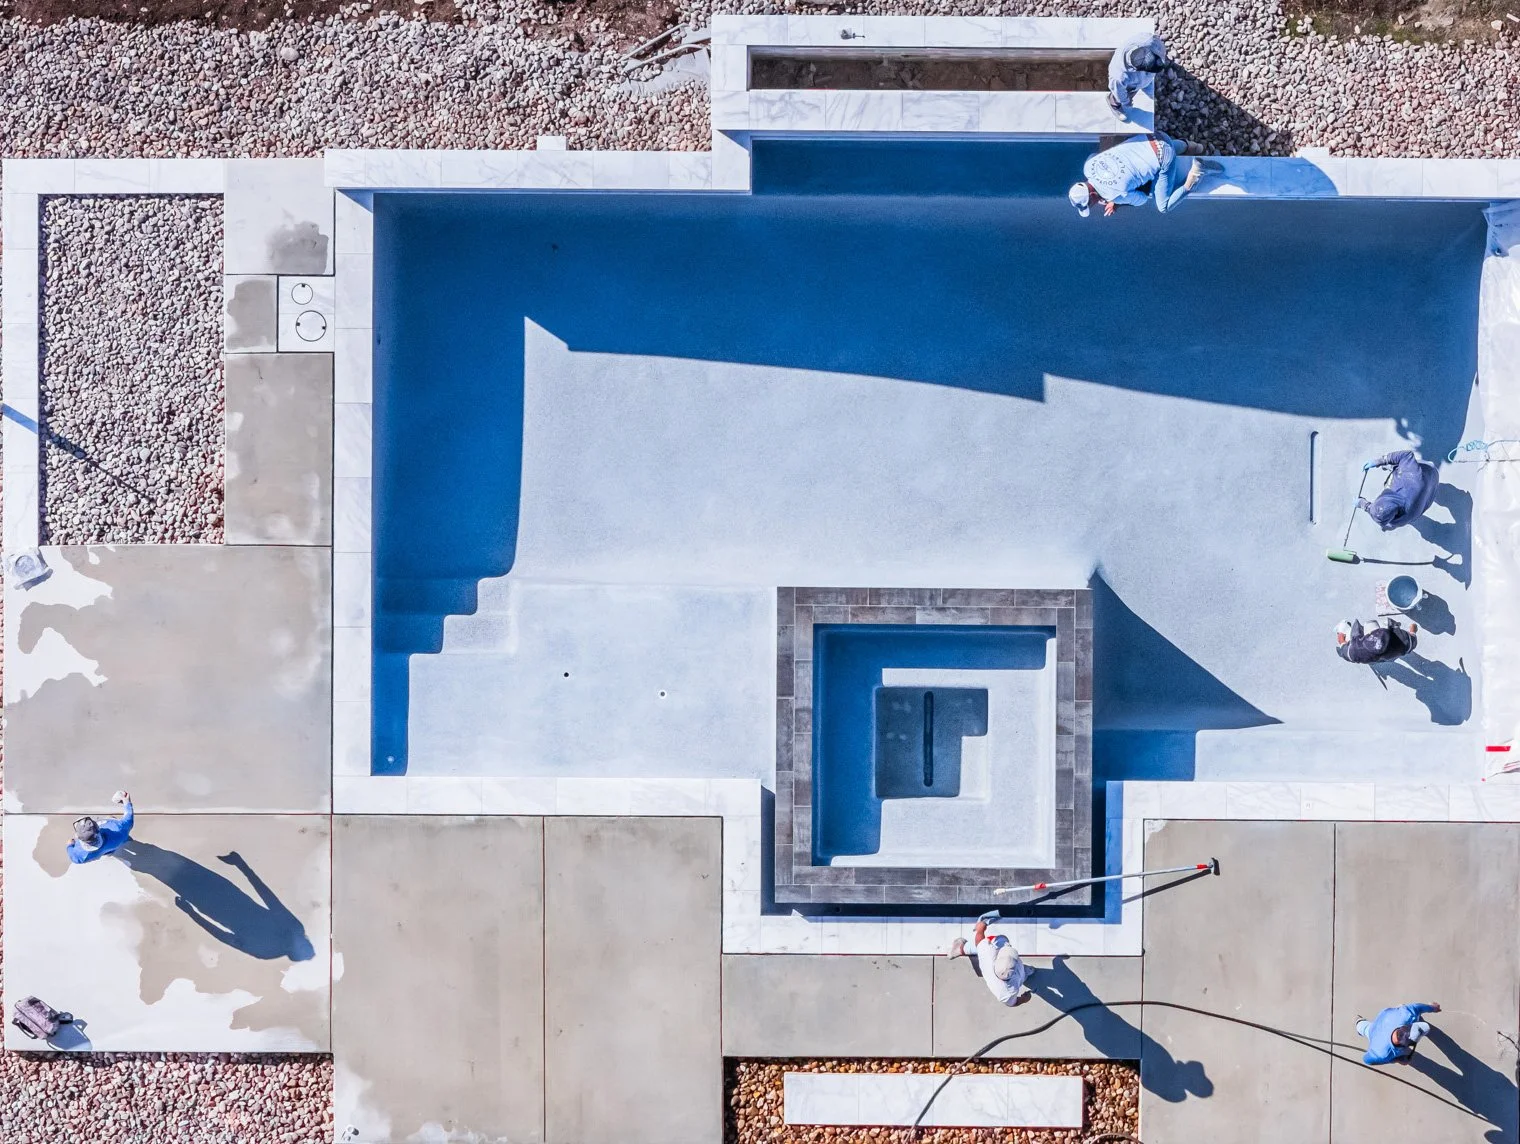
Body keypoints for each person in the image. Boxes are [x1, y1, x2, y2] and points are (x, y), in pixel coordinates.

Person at [1068, 135, 1216, 217]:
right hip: (1154, 136)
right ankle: (1193, 146)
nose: (1092, 206)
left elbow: (1142, 200)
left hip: (1164, 155)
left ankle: (1196, 174)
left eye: (1090, 204)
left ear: (1092, 195)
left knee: (1163, 207)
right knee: (1162, 146)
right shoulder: (1088, 165)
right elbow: (1096, 155)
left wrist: (1117, 202)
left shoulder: (1114, 195)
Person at [947, 912, 1032, 1007]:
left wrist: (980, 929)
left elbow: (980, 942)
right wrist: (1024, 1000)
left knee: (992, 943)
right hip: (1013, 975)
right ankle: (959, 949)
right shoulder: (1006, 994)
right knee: (1001, 939)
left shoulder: (988, 957)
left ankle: (961, 948)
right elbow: (1013, 1003)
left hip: (1010, 970)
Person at [1359, 450, 1438, 531]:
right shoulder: (1411, 475)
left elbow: (1382, 517)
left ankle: (1392, 467)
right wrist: (1383, 460)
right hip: (1430, 475)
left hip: (1426, 495)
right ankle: (1392, 466)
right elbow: (1406, 455)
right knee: (1403, 466)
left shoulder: (1397, 522)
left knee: (1395, 476)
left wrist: (1364, 505)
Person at [1108, 31, 1170, 118]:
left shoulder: (1148, 40)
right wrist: (1126, 102)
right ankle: (1113, 103)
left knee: (1147, 83)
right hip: (1133, 84)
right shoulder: (1119, 77)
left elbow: (1159, 45)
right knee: (1118, 97)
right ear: (1137, 69)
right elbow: (1119, 92)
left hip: (1144, 79)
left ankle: (1147, 87)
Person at [1356, 1002, 1440, 1065]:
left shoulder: (1406, 1015)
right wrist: (1396, 1060)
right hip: (1373, 1032)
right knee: (1410, 1012)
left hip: (1385, 1018)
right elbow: (1366, 1060)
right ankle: (1359, 1022)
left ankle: (1358, 1021)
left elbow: (1417, 1007)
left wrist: (1432, 1007)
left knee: (1361, 1025)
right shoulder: (1382, 1054)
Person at [67, 790, 134, 864]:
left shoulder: (79, 857)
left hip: (101, 852)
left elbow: (71, 851)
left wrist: (70, 845)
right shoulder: (117, 831)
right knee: (111, 817)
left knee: (105, 851)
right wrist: (127, 802)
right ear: (98, 827)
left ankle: (107, 853)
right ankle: (109, 851)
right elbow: (128, 820)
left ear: (78, 837)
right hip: (114, 844)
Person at [1336, 618, 1417, 665]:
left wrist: (1341, 636)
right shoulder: (1404, 640)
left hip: (1366, 656)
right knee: (1389, 657)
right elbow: (1412, 639)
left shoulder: (1355, 651)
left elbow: (1344, 651)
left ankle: (1375, 660)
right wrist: (1413, 629)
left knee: (1367, 625)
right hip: (1393, 653)